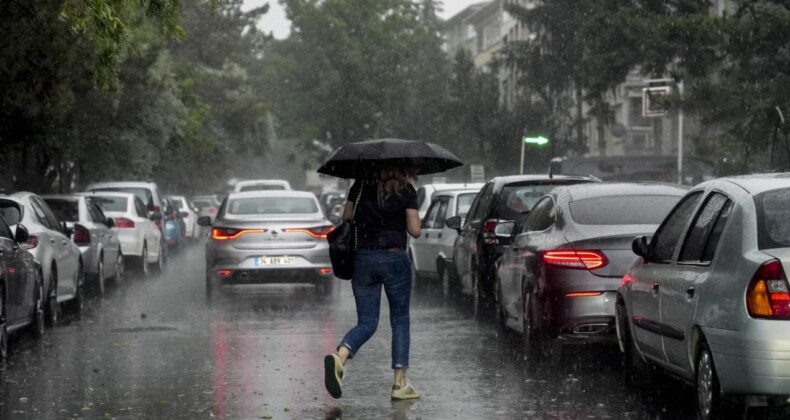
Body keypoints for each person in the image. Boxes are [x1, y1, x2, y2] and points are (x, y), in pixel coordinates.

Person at [324, 165, 422, 401]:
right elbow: (414, 230)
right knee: (400, 320)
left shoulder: (359, 187)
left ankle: (341, 355)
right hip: (394, 257)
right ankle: (400, 384)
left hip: (363, 259)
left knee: (367, 321)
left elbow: (346, 218)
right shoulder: (406, 190)